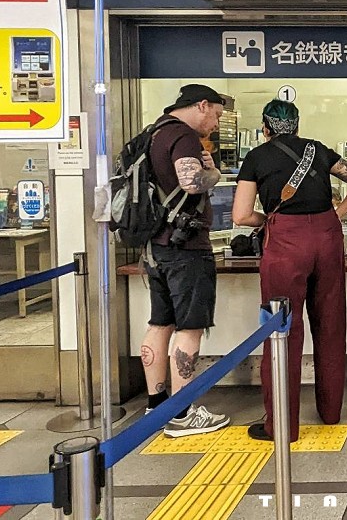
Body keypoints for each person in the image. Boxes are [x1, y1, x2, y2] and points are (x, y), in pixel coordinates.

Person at [232, 99, 347, 441]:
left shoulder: (256, 157)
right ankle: (330, 413)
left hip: (285, 244)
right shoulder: (318, 150)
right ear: (297, 125)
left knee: (282, 332)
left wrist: (269, 221)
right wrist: (334, 216)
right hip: (326, 238)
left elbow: (240, 215)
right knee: (330, 324)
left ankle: (281, 425)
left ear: (265, 129)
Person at [140, 83, 231, 438]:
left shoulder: (153, 133)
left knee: (160, 322)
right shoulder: (183, 135)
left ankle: (156, 404)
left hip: (156, 246)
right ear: (202, 105)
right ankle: (183, 412)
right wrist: (215, 175)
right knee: (189, 327)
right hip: (185, 247)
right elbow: (192, 182)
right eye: (217, 115)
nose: (217, 124)